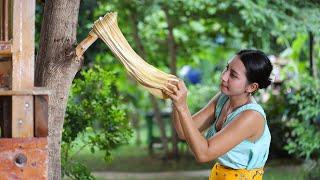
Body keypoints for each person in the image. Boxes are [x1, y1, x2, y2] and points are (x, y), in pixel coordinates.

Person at [162, 49, 273, 180]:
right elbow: (182, 131)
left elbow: (204, 154)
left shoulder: (252, 116)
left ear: (251, 87)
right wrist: (176, 100)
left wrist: (182, 107)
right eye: (227, 68)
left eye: (233, 75)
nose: (223, 76)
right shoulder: (223, 98)